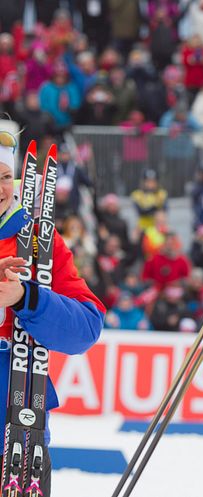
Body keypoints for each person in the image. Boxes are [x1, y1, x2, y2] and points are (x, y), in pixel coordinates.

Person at [0, 131, 105, 494]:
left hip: (14, 424)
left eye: (3, 177)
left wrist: (27, 299)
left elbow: (87, 328)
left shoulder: (40, 241)